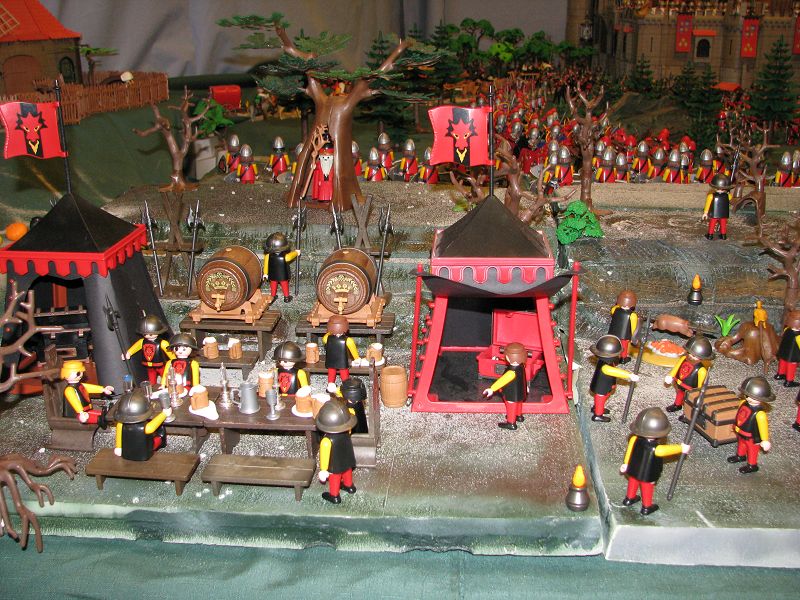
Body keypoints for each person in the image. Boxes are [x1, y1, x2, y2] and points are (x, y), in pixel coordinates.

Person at [620, 407, 690, 515]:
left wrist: (626, 463)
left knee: (632, 482)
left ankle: (629, 498)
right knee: (647, 489)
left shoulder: (634, 439)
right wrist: (681, 448)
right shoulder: (656, 448)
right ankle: (646, 506)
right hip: (647, 474)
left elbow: (629, 451)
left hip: (633, 469)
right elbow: (665, 450)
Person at [728, 376, 773, 474]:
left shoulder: (760, 414)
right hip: (741, 432)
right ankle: (740, 456)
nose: (750, 399)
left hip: (752, 437)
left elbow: (763, 427)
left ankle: (752, 465)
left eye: (754, 398)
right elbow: (740, 415)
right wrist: (736, 425)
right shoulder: (742, 403)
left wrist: (765, 440)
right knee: (741, 445)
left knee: (752, 451)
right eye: (748, 396)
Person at [589, 335, 639, 423]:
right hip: (601, 388)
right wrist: (629, 375)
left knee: (603, 398)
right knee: (601, 399)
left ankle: (597, 408)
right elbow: (616, 372)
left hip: (605, 386)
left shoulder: (605, 362)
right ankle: (598, 415)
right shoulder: (606, 367)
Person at [316, 398, 357, 504]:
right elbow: (350, 421)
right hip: (348, 458)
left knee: (335, 477)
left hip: (335, 465)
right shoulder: (347, 431)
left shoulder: (326, 441)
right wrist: (350, 413)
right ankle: (349, 486)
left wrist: (323, 470)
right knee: (347, 471)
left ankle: (334, 495)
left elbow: (324, 457)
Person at [112, 388, 170, 461]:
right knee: (157, 440)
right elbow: (151, 427)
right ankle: (161, 439)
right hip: (144, 453)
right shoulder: (145, 428)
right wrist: (164, 414)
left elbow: (118, 437)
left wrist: (119, 447)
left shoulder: (120, 425)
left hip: (126, 453)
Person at [482, 342, 529, 431]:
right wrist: (525, 386)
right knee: (519, 404)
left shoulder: (511, 372)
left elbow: (501, 381)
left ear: (507, 357)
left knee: (511, 408)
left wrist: (492, 389)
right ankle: (519, 416)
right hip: (520, 391)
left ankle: (511, 423)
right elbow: (523, 377)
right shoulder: (522, 366)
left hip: (511, 394)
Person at [664, 335, 713, 412]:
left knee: (689, 402)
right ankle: (677, 405)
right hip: (679, 383)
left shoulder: (702, 370)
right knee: (679, 394)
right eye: (689, 353)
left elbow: (701, 385)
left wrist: (698, 394)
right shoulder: (683, 359)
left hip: (690, 390)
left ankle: (687, 413)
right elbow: (676, 368)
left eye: (694, 356)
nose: (690, 356)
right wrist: (670, 375)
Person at [124, 315, 173, 387]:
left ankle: (167, 387)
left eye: (150, 334)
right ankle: (152, 388)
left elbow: (170, 353)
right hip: (149, 366)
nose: (147, 336)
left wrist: (174, 360)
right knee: (151, 380)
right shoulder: (142, 342)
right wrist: (129, 353)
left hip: (160, 365)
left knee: (165, 377)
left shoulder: (163, 343)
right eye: (145, 334)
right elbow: (135, 347)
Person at [61, 360, 114, 424]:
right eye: (78, 373)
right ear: (67, 373)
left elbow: (90, 387)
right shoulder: (69, 390)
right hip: (76, 414)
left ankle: (105, 415)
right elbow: (74, 402)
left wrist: (103, 389)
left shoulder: (80, 385)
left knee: (98, 414)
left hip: (86, 409)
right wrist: (80, 412)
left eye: (81, 372)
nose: (80, 375)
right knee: (89, 417)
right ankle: (99, 420)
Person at [322, 316, 361, 392]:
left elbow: (324, 339)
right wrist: (356, 358)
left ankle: (331, 384)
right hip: (342, 360)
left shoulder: (327, 338)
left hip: (331, 359)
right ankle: (345, 384)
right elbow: (353, 350)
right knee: (343, 371)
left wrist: (329, 332)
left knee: (331, 371)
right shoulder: (348, 340)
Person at [262, 232, 300, 303]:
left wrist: (265, 273)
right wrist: (296, 252)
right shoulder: (285, 256)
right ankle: (286, 297)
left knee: (273, 285)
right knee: (284, 285)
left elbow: (266, 265)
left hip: (272, 275)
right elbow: (290, 256)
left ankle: (273, 296)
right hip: (283, 275)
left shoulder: (268, 256)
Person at [607, 291, 638, 363]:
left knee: (613, 344)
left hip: (613, 333)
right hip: (624, 335)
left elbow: (613, 309)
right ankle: (623, 358)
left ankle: (612, 355)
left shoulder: (614, 309)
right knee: (624, 347)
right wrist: (633, 336)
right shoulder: (633, 315)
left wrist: (619, 304)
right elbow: (633, 328)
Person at [702, 174, 733, 240]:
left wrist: (705, 213)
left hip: (714, 213)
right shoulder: (728, 196)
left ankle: (710, 235)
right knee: (723, 224)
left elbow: (707, 205)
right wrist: (728, 192)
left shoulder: (711, 196)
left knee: (712, 224)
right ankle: (723, 235)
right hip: (723, 213)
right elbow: (731, 200)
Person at [775, 311, 800, 388]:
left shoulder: (786, 329)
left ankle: (780, 374)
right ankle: (789, 381)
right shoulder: (798, 336)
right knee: (791, 367)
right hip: (792, 356)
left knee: (782, 363)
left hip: (783, 352)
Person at [311, 135, 335, 203]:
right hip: (321, 183)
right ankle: (322, 199)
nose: (325, 159)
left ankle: (331, 198)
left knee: (330, 192)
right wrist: (313, 165)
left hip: (330, 183)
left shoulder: (333, 165)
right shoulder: (320, 164)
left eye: (328, 157)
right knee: (322, 192)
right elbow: (315, 167)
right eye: (323, 157)